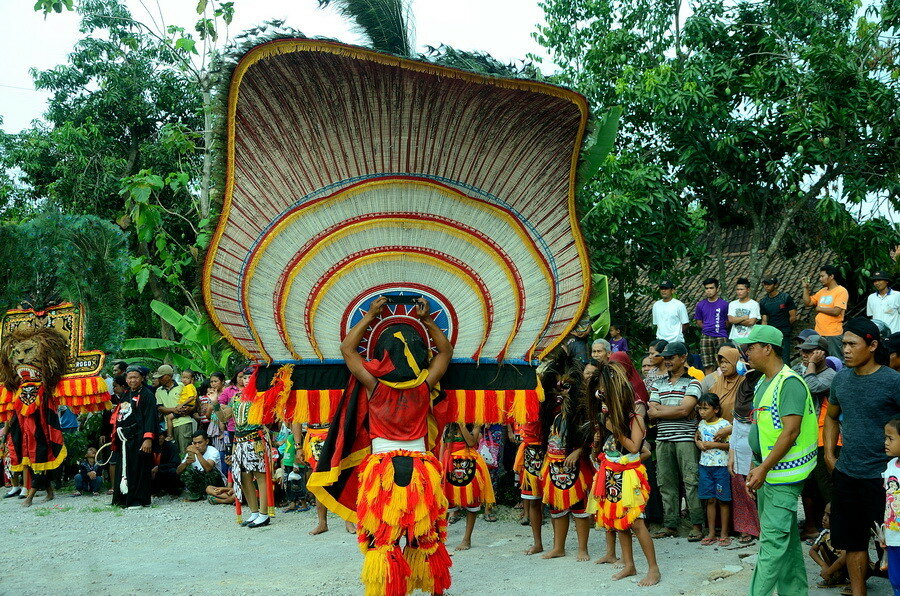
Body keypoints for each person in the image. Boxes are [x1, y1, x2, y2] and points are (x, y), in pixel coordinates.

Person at [310, 296, 454, 596]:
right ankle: (428, 586)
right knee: (421, 535)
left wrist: (370, 315)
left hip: (382, 469)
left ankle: (388, 588)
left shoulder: (374, 387)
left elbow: (347, 350)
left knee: (382, 538)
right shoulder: (424, 386)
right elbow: (445, 351)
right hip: (422, 469)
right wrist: (427, 321)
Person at [735, 325, 818, 596]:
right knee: (787, 541)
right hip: (768, 472)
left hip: (784, 475)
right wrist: (755, 467)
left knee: (772, 542)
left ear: (768, 348)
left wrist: (764, 467)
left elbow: (790, 431)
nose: (746, 352)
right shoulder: (763, 381)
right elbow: (762, 430)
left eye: (751, 347)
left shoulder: (789, 383)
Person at [825, 318, 900, 596]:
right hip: (848, 473)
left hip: (886, 478)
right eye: (843, 343)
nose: (845, 349)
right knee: (853, 542)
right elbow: (832, 417)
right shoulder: (841, 379)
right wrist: (830, 455)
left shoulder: (893, 381)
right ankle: (859, 593)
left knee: (894, 540)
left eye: (852, 344)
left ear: (872, 345)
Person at [585, 363, 660, 586]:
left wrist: (614, 428)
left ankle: (653, 569)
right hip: (611, 473)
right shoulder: (610, 413)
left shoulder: (636, 413)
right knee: (619, 520)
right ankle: (629, 565)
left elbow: (635, 447)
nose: (602, 396)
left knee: (636, 522)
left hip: (629, 475)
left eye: (605, 392)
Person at [539, 354, 594, 562]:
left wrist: (578, 451)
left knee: (579, 507)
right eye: (557, 386)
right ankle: (558, 547)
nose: (561, 390)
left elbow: (592, 433)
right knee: (556, 507)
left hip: (574, 464)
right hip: (553, 462)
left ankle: (582, 549)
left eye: (566, 386)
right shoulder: (548, 409)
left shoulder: (582, 408)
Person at [647, 341, 704, 541]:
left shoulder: (693, 382)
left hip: (685, 439)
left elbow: (685, 410)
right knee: (666, 482)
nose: (668, 361)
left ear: (683, 357)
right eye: (666, 357)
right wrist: (676, 411)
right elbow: (651, 412)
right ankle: (670, 524)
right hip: (664, 439)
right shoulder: (658, 383)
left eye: (672, 357)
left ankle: (697, 524)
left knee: (691, 481)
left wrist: (663, 411)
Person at [794, 334, 838, 539]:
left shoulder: (830, 375)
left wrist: (810, 364)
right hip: (809, 437)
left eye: (810, 351)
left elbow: (809, 387)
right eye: (803, 351)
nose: (804, 355)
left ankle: (837, 532)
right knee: (810, 486)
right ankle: (815, 528)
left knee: (826, 485)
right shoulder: (803, 371)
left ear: (821, 354)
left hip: (826, 438)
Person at [221, 367, 272, 528]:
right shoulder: (236, 397)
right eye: (245, 377)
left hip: (255, 439)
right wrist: (215, 404)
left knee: (260, 476)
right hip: (239, 441)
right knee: (243, 477)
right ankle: (254, 512)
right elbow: (224, 417)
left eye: (251, 377)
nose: (247, 380)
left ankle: (264, 514)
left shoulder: (261, 395)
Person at [441, 422, 495, 550]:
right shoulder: (448, 425)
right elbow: (442, 445)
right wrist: (440, 466)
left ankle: (467, 539)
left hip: (469, 465)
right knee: (447, 502)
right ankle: (440, 536)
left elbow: (471, 443)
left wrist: (462, 425)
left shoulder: (476, 424)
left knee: (471, 502)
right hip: (449, 464)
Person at [111, 366, 158, 509]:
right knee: (124, 468)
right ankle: (122, 499)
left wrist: (148, 438)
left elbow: (151, 417)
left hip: (139, 438)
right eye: (130, 377)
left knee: (138, 468)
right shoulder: (126, 394)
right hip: (125, 439)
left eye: (135, 377)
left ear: (142, 378)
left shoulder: (147, 395)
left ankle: (138, 499)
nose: (132, 380)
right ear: (126, 379)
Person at [729, 362, 761, 545]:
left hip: (758, 455)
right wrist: (731, 455)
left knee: (758, 493)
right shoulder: (741, 396)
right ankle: (746, 529)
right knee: (742, 494)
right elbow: (735, 429)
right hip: (739, 453)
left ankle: (762, 528)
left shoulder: (761, 400)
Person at [694, 393, 732, 546]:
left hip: (721, 466)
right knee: (710, 500)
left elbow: (731, 445)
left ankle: (724, 533)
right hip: (705, 466)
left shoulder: (724, 425)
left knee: (723, 500)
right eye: (700, 409)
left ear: (716, 409)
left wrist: (714, 445)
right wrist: (698, 443)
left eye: (705, 408)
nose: (702, 412)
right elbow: (697, 437)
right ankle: (711, 532)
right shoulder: (701, 424)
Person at [803, 265, 850, 358]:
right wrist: (805, 288)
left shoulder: (841, 291)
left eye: (822, 276)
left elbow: (836, 311)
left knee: (836, 360)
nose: (820, 279)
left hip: (833, 333)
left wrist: (819, 308)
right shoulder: (822, 291)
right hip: (819, 333)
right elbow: (808, 302)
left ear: (831, 276)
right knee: (821, 360)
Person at [154, 365, 193, 456]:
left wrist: (187, 409)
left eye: (162, 377)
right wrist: (174, 410)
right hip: (169, 425)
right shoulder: (159, 391)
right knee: (173, 453)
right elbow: (160, 407)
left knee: (185, 451)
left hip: (183, 422)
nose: (160, 379)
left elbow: (192, 401)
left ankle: (188, 470)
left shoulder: (182, 386)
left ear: (169, 376)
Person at [694, 277, 730, 373]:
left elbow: (728, 321)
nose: (709, 291)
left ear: (717, 289)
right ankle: (709, 387)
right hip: (706, 336)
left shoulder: (724, 304)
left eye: (711, 288)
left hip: (721, 335)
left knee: (724, 362)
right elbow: (698, 321)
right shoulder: (700, 305)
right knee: (707, 364)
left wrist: (718, 328)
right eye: (706, 288)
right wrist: (707, 328)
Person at [809, 503, 849, 589]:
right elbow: (812, 551)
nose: (824, 518)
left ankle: (853, 582)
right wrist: (823, 565)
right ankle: (837, 576)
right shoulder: (826, 532)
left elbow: (845, 556)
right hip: (839, 565)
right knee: (822, 546)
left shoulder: (845, 532)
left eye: (829, 515)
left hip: (853, 568)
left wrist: (828, 572)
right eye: (824, 514)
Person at [881, 417, 900, 595]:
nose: (886, 442)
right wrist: (884, 532)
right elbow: (888, 502)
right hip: (893, 534)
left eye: (891, 438)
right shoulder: (890, 467)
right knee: (895, 579)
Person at [176, 430, 223, 500]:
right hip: (201, 481)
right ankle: (197, 493)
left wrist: (197, 453)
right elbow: (178, 471)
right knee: (186, 473)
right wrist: (186, 463)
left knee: (211, 472)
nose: (197, 446)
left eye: (200, 443)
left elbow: (208, 468)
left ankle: (209, 493)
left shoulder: (213, 451)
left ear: (207, 441)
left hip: (215, 482)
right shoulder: (192, 452)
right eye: (194, 443)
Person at [759, 276, 798, 359]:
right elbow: (764, 320)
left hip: (784, 333)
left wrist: (786, 327)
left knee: (785, 358)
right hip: (771, 334)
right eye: (765, 284)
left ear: (775, 285)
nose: (766, 286)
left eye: (769, 284)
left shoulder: (785, 298)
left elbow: (793, 317)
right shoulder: (763, 302)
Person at [151, 433, 182, 497]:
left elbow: (176, 463)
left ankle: (174, 492)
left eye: (161, 435)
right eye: (158, 436)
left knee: (173, 471)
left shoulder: (171, 446)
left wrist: (159, 467)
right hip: (153, 473)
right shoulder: (151, 446)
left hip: (165, 471)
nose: (160, 438)